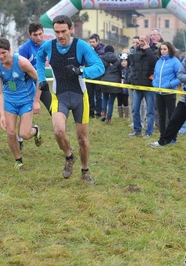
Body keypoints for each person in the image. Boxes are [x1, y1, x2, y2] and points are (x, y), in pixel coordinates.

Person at [36, 15, 104, 184]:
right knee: (58, 131)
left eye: (64, 31)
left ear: (71, 30)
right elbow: (38, 59)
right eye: (57, 32)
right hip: (59, 96)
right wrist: (41, 78)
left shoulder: (80, 46)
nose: (60, 36)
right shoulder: (48, 46)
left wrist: (82, 71)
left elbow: (99, 67)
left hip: (80, 97)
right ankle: (69, 157)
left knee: (82, 139)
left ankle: (85, 170)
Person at [0, 37, 43, 169]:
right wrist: (2, 114)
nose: (1, 56)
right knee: (10, 133)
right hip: (10, 101)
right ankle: (18, 160)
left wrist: (36, 101)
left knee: (24, 134)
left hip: (26, 101)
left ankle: (35, 130)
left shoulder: (21, 62)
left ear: (9, 50)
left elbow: (39, 79)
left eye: (4, 53)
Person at [17, 22, 52, 150]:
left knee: (55, 111)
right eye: (35, 35)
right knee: (23, 112)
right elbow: (22, 69)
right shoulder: (25, 48)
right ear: (29, 35)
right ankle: (19, 139)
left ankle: (63, 140)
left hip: (42, 83)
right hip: (28, 84)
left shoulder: (47, 45)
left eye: (40, 34)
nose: (38, 37)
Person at [128, 34, 157, 138]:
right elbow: (132, 66)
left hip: (149, 86)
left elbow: (154, 62)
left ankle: (149, 132)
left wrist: (147, 49)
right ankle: (137, 130)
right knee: (135, 109)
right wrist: (132, 78)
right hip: (137, 85)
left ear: (148, 41)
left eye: (143, 40)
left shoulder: (153, 50)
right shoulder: (136, 51)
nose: (141, 42)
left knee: (150, 111)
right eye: (140, 40)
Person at [152, 42, 181, 138]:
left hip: (169, 93)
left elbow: (180, 77)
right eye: (161, 49)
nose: (162, 51)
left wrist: (170, 85)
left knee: (172, 116)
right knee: (161, 115)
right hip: (159, 93)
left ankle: (173, 136)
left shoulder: (175, 61)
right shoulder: (158, 61)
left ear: (169, 50)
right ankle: (163, 135)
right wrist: (154, 84)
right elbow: (155, 75)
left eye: (165, 49)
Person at [99, 45, 122, 124]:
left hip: (104, 81)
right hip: (114, 82)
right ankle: (108, 119)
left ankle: (103, 112)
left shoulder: (101, 59)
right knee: (111, 102)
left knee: (104, 98)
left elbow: (100, 70)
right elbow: (120, 72)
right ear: (113, 51)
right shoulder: (117, 59)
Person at [87, 33, 104, 119]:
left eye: (93, 41)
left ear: (97, 42)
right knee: (90, 96)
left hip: (98, 77)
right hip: (89, 77)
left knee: (98, 96)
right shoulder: (87, 50)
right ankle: (91, 112)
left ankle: (98, 112)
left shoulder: (101, 52)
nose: (91, 43)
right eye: (90, 42)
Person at [118, 52, 130, 120]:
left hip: (126, 89)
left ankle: (127, 116)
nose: (123, 63)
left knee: (125, 102)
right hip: (119, 88)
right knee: (119, 102)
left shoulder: (129, 70)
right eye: (122, 61)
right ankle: (120, 116)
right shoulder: (119, 69)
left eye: (125, 61)